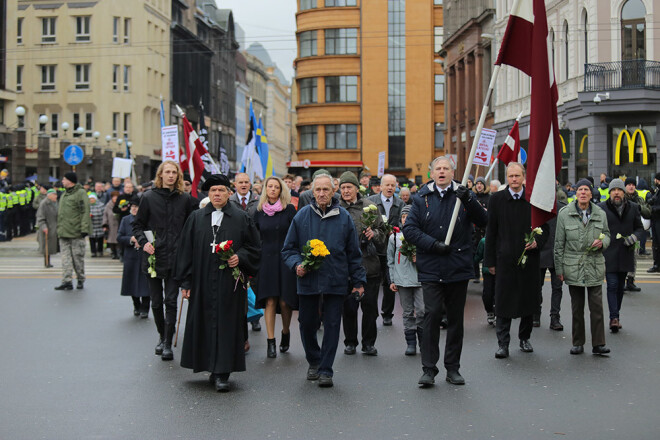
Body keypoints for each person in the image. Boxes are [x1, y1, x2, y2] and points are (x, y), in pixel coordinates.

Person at [403, 156, 487, 387]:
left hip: (457, 266)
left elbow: (483, 220)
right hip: (431, 267)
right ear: (431, 173)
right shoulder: (421, 198)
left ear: (453, 172)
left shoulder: (462, 195)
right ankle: (429, 369)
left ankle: (453, 368)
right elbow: (409, 229)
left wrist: (469, 199)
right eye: (438, 169)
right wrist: (432, 244)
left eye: (446, 168)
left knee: (455, 320)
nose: (442, 172)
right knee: (430, 315)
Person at [175, 174, 261, 392]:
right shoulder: (196, 218)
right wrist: (186, 282)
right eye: (213, 191)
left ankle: (223, 372)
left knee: (227, 325)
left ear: (229, 193)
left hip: (228, 283)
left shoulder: (241, 218)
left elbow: (254, 247)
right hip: (202, 281)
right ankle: (209, 366)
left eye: (221, 190)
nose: (217, 194)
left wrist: (239, 258)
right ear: (207, 194)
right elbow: (185, 250)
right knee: (204, 322)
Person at [282, 173, 366, 388]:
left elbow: (353, 253)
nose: (321, 193)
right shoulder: (302, 216)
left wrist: (358, 281)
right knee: (307, 323)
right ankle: (314, 360)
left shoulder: (344, 217)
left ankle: (326, 369)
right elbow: (288, 249)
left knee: (331, 325)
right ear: (312, 191)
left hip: (335, 279)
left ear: (333, 192)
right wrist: (296, 265)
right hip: (308, 279)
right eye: (317, 190)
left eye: (325, 190)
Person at [133, 161, 196, 361]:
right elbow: (138, 225)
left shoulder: (185, 199)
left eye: (174, 172)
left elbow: (191, 227)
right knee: (156, 302)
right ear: (160, 175)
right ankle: (161, 335)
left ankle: (168, 342)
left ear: (178, 176)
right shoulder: (148, 197)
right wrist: (144, 243)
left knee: (171, 300)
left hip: (176, 258)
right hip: (154, 256)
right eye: (167, 172)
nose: (170, 175)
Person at [484, 163, 548, 359]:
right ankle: (503, 343)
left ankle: (524, 338)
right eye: (510, 176)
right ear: (507, 178)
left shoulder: (533, 199)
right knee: (503, 302)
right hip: (505, 260)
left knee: (528, 300)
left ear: (523, 177)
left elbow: (545, 227)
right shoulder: (496, 200)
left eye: (517, 176)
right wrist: (490, 262)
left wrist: (537, 242)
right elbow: (491, 232)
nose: (514, 179)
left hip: (529, 260)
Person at [555, 179, 611, 355]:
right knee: (576, 307)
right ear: (576, 193)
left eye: (586, 189)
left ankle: (598, 344)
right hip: (573, 265)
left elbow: (607, 235)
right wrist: (559, 269)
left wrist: (602, 243)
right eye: (580, 189)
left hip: (594, 264)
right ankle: (578, 342)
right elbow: (558, 244)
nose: (583, 192)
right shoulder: (564, 214)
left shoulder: (600, 214)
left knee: (597, 307)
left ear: (591, 193)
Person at [338, 171, 387, 356]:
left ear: (357, 188)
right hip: (345, 267)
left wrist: (374, 235)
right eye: (342, 188)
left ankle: (368, 343)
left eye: (349, 187)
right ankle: (350, 342)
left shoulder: (371, 207)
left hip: (369, 266)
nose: (345, 191)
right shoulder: (336, 208)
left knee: (369, 308)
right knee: (348, 307)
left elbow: (384, 236)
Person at [252, 176, 298, 358]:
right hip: (266, 261)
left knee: (285, 301)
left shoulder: (289, 211)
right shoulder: (258, 211)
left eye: (276, 187)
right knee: (270, 300)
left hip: (285, 260)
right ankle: (270, 341)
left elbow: (296, 234)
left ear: (281, 190)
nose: (272, 189)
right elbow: (254, 238)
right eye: (269, 186)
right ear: (265, 189)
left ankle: (285, 332)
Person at [599, 178, 643, 333]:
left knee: (620, 286)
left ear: (623, 193)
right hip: (609, 253)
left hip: (625, 252)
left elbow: (640, 228)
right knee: (611, 285)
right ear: (610, 193)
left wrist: (634, 237)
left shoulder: (633, 207)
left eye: (619, 190)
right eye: (613, 191)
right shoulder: (601, 208)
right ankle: (614, 318)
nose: (616, 193)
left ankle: (616, 314)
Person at [369, 174, 405, 326]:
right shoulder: (371, 202)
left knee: (390, 283)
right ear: (381, 186)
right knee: (373, 283)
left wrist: (397, 231)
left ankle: (387, 313)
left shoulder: (401, 203)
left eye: (393, 185)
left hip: (392, 249)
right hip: (374, 249)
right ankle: (372, 312)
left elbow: (405, 223)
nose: (390, 188)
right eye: (387, 185)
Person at [387, 204, 424, 355]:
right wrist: (392, 280)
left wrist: (419, 259)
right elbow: (390, 260)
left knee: (422, 310)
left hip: (420, 279)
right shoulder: (395, 237)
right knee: (408, 312)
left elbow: (430, 255)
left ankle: (423, 341)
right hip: (402, 280)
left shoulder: (422, 235)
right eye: (403, 216)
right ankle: (411, 343)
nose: (406, 219)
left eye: (409, 216)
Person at [55, 172, 91, 290]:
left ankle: (80, 279)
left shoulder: (80, 193)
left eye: (64, 179)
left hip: (76, 232)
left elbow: (85, 211)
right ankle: (67, 281)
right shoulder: (64, 194)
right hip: (64, 231)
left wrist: (84, 228)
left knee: (77, 258)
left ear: (70, 181)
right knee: (65, 258)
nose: (62, 181)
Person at [117, 196, 150, 318]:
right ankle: (136, 305)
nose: (135, 209)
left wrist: (143, 242)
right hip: (131, 256)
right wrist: (131, 239)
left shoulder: (147, 220)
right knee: (131, 282)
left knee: (146, 283)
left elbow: (153, 235)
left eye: (137, 207)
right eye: (133, 207)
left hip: (144, 255)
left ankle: (145, 308)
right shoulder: (126, 220)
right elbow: (119, 237)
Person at [535, 200, 567, 330]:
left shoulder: (563, 208)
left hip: (557, 252)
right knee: (537, 286)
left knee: (557, 287)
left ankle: (555, 317)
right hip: (541, 251)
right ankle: (535, 314)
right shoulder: (537, 205)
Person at [623, 177, 650, 291]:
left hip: (636, 232)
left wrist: (639, 208)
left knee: (633, 257)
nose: (631, 186)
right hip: (623, 233)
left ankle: (630, 281)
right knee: (622, 256)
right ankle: (622, 281)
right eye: (628, 184)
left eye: (633, 184)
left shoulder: (639, 199)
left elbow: (648, 212)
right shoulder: (621, 198)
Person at [472, 177, 490, 282]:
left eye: (481, 184)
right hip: (476, 229)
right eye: (477, 184)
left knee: (486, 253)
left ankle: (485, 274)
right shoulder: (473, 197)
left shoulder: (489, 198)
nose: (479, 185)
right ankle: (476, 274)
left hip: (486, 228)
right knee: (475, 254)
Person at [36, 189, 59, 268]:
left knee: (50, 245)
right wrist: (44, 227)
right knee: (46, 246)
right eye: (54, 195)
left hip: (54, 227)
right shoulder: (44, 204)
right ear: (49, 196)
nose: (56, 196)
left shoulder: (56, 203)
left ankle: (48, 262)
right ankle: (46, 262)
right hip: (47, 228)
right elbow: (40, 217)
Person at [647, 173, 660, 273]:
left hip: (658, 220)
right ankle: (657, 264)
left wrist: (653, 209)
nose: (654, 181)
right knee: (655, 244)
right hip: (655, 220)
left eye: (655, 179)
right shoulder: (657, 191)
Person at [103, 191, 120, 259]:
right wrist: (105, 224)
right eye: (114, 197)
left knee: (118, 239)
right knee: (111, 240)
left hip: (118, 224)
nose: (115, 199)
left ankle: (118, 253)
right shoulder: (108, 205)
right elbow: (105, 215)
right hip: (111, 225)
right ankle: (113, 253)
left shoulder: (120, 204)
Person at [88, 193, 105, 257]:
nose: (91, 200)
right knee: (92, 239)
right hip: (91, 225)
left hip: (100, 224)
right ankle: (93, 252)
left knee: (100, 239)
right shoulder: (87, 205)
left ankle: (100, 251)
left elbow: (104, 214)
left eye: (93, 199)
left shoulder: (101, 205)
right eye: (90, 199)